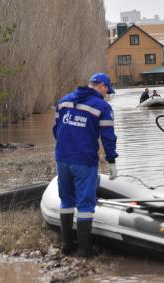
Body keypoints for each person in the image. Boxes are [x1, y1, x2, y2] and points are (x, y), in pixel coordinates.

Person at [53, 72, 118, 257]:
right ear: (103, 86)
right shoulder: (102, 106)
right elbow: (108, 136)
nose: (107, 95)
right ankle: (85, 249)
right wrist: (112, 160)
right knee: (85, 204)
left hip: (62, 159)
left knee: (66, 200)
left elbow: (56, 129)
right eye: (108, 91)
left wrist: (67, 147)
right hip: (84, 161)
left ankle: (66, 245)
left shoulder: (63, 100)